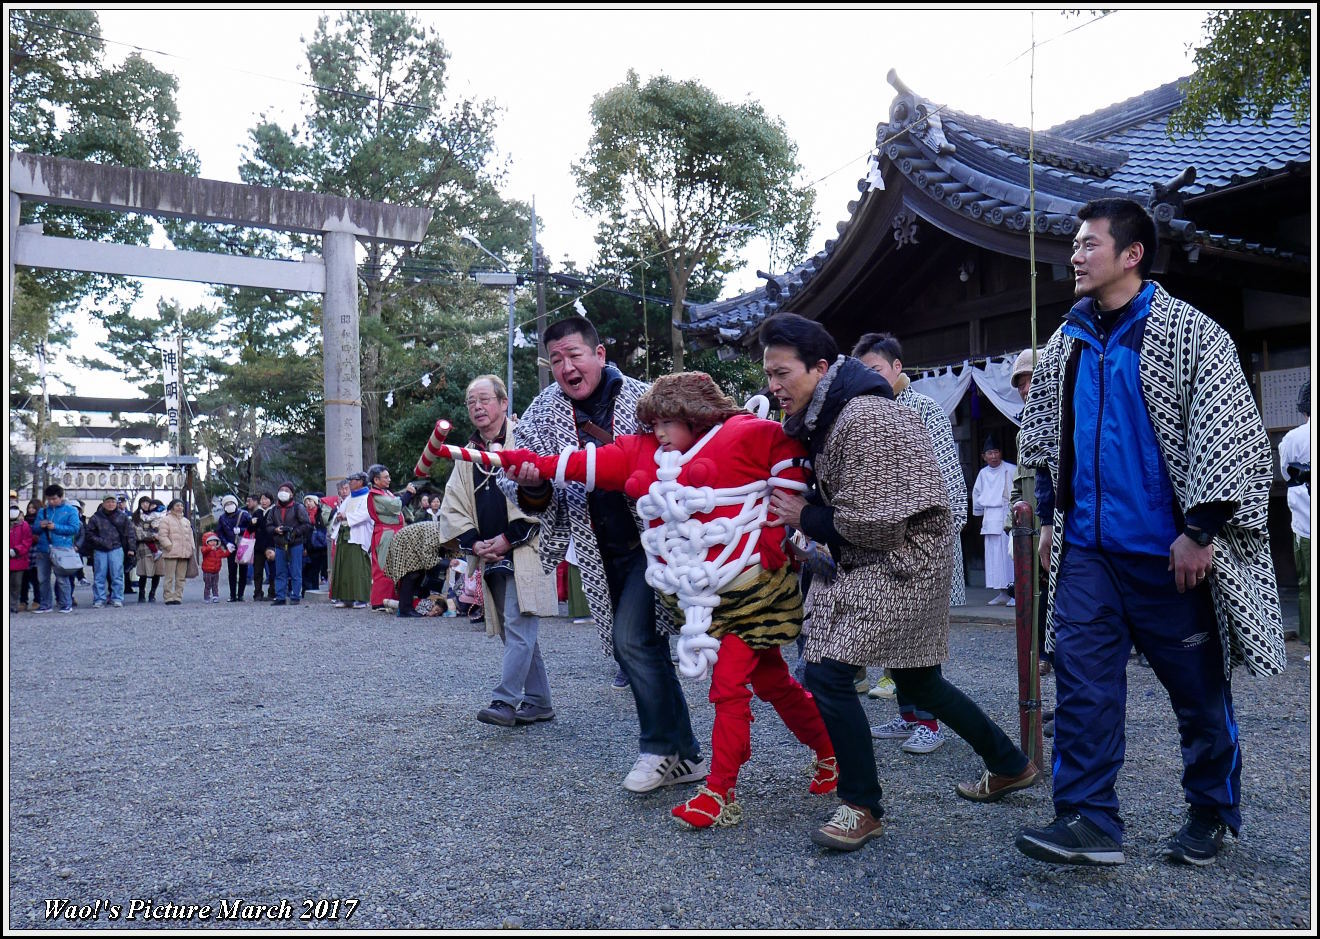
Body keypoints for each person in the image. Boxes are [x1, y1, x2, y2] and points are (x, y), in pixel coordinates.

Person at [1015, 197, 1286, 868]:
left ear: (1131, 254)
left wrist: (1200, 529)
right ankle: (1087, 817)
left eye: (1088, 244)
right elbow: (1048, 439)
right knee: (1082, 685)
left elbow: (1229, 432)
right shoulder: (1066, 341)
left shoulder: (1190, 333)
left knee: (1197, 690)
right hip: (1088, 552)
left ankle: (1211, 810)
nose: (1075, 255)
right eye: (1075, 245)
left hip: (1170, 552)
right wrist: (1053, 518)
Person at [467, 371, 836, 826]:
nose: (657, 431)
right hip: (704, 596)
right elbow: (582, 464)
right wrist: (531, 464)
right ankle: (830, 752)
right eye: (653, 422)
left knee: (728, 688)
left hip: (754, 592)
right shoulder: (645, 451)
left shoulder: (747, 432)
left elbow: (789, 454)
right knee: (772, 681)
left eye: (667, 421)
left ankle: (720, 792)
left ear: (695, 414)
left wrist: (777, 527)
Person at [759, 312, 1037, 852]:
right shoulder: (835, 413)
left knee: (828, 674)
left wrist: (804, 516)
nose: (772, 387)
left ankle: (862, 805)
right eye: (767, 375)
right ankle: (1009, 763)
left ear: (819, 368)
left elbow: (876, 522)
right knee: (919, 685)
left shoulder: (861, 418)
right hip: (897, 559)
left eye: (781, 373)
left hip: (899, 562)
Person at [504, 316, 705, 792]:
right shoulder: (542, 411)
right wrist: (532, 486)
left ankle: (658, 747)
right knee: (637, 646)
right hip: (595, 548)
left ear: (599, 355)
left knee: (633, 640)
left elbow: (690, 449)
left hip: (654, 541)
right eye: (556, 359)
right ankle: (688, 755)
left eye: (575, 355)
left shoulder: (644, 398)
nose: (567, 367)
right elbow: (519, 482)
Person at [854, 332, 970, 752]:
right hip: (886, 542)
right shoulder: (870, 412)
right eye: (864, 372)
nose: (872, 378)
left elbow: (949, 478)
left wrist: (942, 537)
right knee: (892, 632)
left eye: (877, 369)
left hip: (924, 541)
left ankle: (930, 723)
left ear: (897, 367)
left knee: (920, 636)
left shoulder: (924, 409)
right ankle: (907, 716)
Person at [436, 375, 560, 726]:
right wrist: (474, 541)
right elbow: (453, 504)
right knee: (513, 629)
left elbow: (544, 494)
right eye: (471, 401)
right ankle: (538, 701)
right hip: (490, 551)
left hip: (528, 548)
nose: (477, 406)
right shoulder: (467, 455)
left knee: (520, 624)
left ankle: (505, 701)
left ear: (504, 403)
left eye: (485, 399)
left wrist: (510, 536)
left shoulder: (526, 439)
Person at [1278, 380, 1310, 649]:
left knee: (1307, 586)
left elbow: (1287, 474)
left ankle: (1310, 638)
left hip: (1305, 522)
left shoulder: (1292, 438)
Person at [972, 436, 1016, 606]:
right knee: (995, 559)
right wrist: (979, 514)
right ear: (984, 456)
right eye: (990, 453)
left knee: (1008, 556)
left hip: (1007, 515)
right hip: (990, 518)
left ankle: (1015, 593)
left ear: (1001, 453)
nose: (993, 456)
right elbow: (977, 495)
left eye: (996, 452)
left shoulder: (1011, 469)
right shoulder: (983, 474)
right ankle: (1002, 592)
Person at [32, 484, 81, 614]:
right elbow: (34, 529)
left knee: (62, 578)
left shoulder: (71, 510)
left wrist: (56, 527)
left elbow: (74, 529)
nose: (51, 502)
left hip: (62, 548)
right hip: (43, 548)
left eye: (54, 498)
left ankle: (66, 604)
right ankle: (45, 604)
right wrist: (40, 525)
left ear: (61, 497)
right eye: (49, 499)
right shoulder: (42, 511)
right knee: (42, 579)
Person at [329, 472, 373, 610]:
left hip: (358, 534)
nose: (350, 483)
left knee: (357, 567)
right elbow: (339, 512)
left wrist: (346, 516)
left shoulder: (368, 497)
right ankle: (344, 597)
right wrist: (338, 517)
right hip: (344, 534)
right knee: (342, 566)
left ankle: (361, 598)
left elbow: (366, 514)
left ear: (361, 481)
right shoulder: (349, 498)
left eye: (353, 480)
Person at [85, 493, 135, 608]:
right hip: (99, 549)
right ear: (103, 503)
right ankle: (99, 599)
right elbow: (89, 534)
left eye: (113, 502)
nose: (110, 504)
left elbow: (130, 533)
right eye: (108, 502)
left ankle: (117, 598)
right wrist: (101, 541)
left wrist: (131, 548)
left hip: (117, 548)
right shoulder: (96, 517)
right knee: (99, 576)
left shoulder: (122, 517)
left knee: (117, 575)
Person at [365, 465, 405, 610]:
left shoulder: (385, 492)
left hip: (392, 532)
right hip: (386, 533)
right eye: (386, 477)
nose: (389, 479)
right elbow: (396, 506)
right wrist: (408, 495)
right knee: (383, 567)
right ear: (376, 480)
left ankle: (391, 599)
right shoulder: (375, 494)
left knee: (394, 567)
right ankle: (379, 601)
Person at [266, 482, 310, 606]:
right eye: (281, 490)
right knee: (280, 571)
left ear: (292, 493)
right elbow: (268, 526)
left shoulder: (298, 508)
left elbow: (306, 524)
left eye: (286, 490)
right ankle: (280, 596)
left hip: (295, 543)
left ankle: (295, 596)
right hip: (279, 544)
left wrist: (295, 532)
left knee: (296, 570)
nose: (283, 492)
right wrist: (275, 529)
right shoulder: (274, 509)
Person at [155, 499, 195, 605]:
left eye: (181, 505)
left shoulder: (186, 521)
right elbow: (162, 535)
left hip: (184, 553)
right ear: (172, 507)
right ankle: (168, 597)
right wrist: (169, 546)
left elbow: (191, 536)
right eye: (177, 505)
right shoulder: (166, 520)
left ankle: (178, 596)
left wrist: (192, 548)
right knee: (169, 577)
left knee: (181, 577)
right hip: (171, 553)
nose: (180, 507)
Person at [131, 496, 163, 603]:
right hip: (143, 548)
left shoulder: (157, 516)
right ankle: (141, 594)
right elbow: (138, 534)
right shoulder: (136, 517)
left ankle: (152, 594)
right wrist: (154, 536)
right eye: (143, 502)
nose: (145, 505)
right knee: (143, 573)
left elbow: (163, 530)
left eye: (147, 502)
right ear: (139, 504)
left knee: (157, 572)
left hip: (158, 547)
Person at [249, 492, 276, 601]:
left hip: (271, 544)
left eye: (266, 499)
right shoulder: (257, 512)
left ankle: (272, 592)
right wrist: (252, 523)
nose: (264, 501)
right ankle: (258, 593)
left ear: (271, 500)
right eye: (262, 499)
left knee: (273, 571)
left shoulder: (274, 511)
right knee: (257, 571)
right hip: (259, 546)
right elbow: (250, 530)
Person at [9, 498, 34, 613]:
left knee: (16, 584)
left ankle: (13, 605)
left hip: (19, 559)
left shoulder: (24, 525)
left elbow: (27, 541)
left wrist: (16, 550)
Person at [302, 494, 328, 595]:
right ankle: (308, 589)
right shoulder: (303, 514)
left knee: (318, 568)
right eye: (306, 501)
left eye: (310, 501)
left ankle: (316, 587)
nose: (308, 503)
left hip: (320, 545)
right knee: (308, 569)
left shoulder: (321, 513)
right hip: (309, 546)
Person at [17, 499, 42, 610]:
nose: (31, 510)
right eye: (29, 508)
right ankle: (23, 601)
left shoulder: (40, 520)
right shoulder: (23, 521)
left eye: (33, 508)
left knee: (36, 578)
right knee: (24, 579)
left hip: (36, 552)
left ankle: (37, 600)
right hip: (25, 552)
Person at [200, 532, 230, 603]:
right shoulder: (205, 548)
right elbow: (204, 551)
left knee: (215, 584)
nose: (213, 542)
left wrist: (229, 551)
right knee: (208, 584)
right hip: (207, 571)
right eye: (210, 541)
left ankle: (215, 596)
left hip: (216, 570)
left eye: (214, 541)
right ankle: (206, 597)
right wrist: (210, 548)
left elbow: (224, 555)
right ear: (206, 542)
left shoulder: (218, 550)